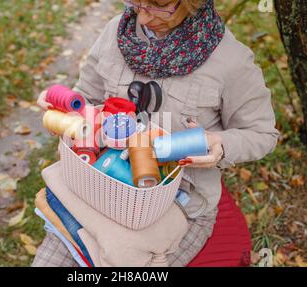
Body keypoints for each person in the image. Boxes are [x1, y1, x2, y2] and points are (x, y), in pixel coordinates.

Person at [33, 0, 279, 267]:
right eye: (136, 4)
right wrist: (66, 108)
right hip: (100, 184)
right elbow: (87, 99)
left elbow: (262, 133)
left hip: (178, 202)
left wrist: (222, 144)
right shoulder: (115, 33)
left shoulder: (231, 61)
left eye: (159, 7)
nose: (143, 19)